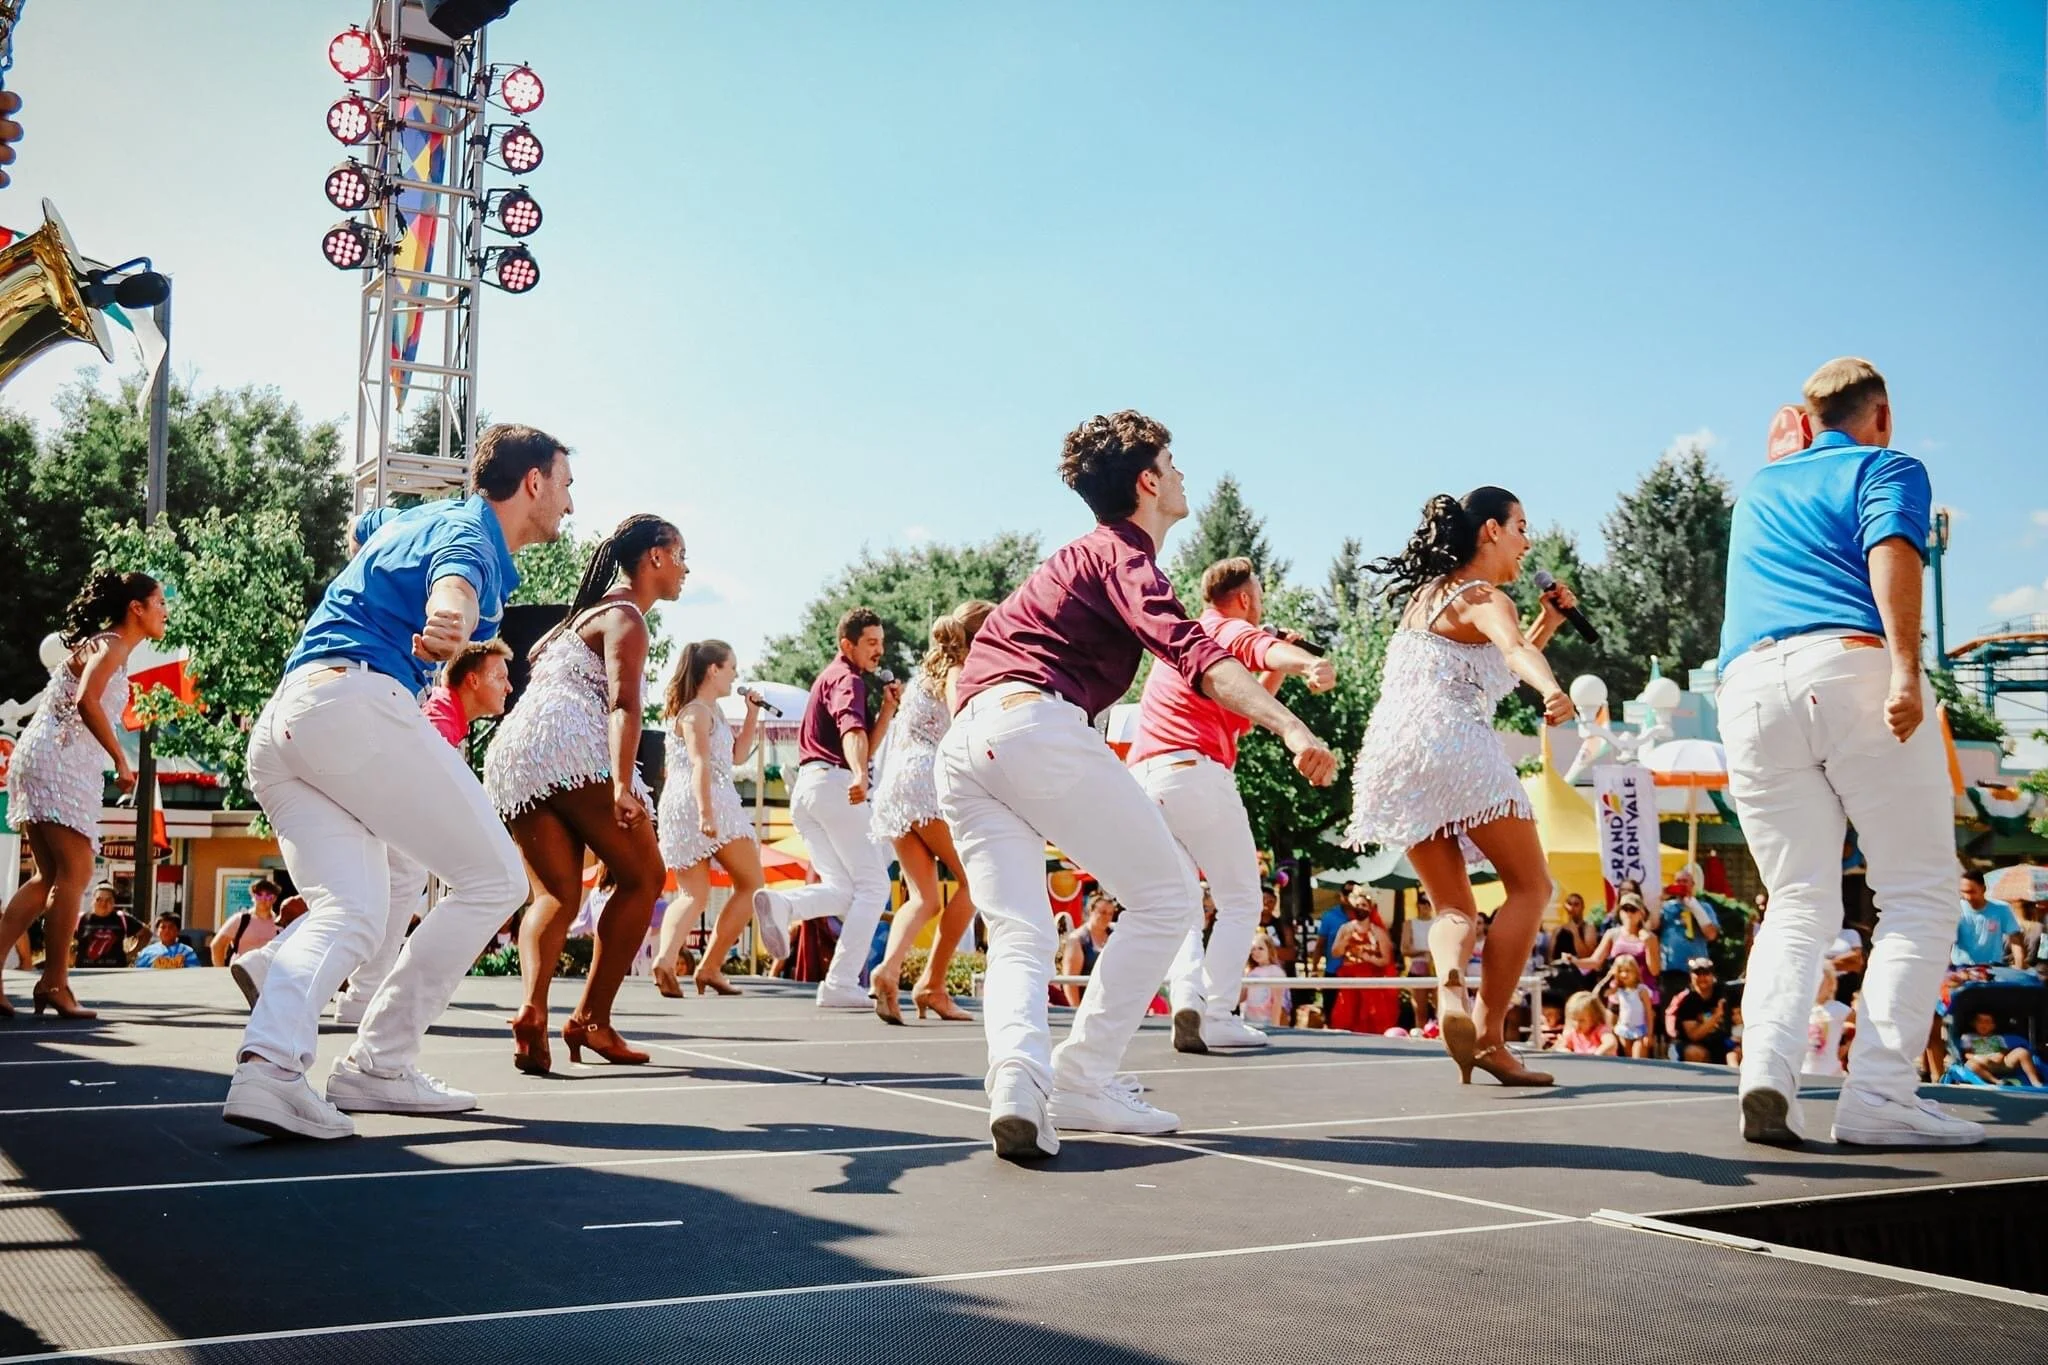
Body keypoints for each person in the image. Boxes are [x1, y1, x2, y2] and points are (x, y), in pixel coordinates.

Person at [936, 410, 1336, 1160]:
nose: (1183, 475)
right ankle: (1084, 1076)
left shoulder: (1069, 561)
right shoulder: (1124, 556)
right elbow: (1194, 653)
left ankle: (1019, 1083)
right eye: (1173, 463)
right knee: (1169, 898)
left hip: (966, 746)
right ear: (1148, 482)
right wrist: (1291, 727)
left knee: (1020, 931)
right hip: (1033, 726)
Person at [223, 423, 566, 1141]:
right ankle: (381, 1061)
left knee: (352, 908)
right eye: (565, 485)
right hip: (354, 704)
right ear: (533, 482)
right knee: (495, 879)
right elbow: (454, 588)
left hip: (289, 718)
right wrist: (447, 619)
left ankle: (269, 1070)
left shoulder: (418, 518)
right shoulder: (473, 539)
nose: (569, 502)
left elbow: (364, 527)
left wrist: (391, 585)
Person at [1721, 358, 1983, 1148]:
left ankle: (1766, 1070)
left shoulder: (1757, 490)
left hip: (1748, 685)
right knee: (1919, 890)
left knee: (1797, 897)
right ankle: (1879, 1096)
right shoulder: (1887, 466)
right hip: (1849, 664)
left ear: (1808, 418)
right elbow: (1891, 548)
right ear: (1883, 414)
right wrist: (1906, 669)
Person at [1344, 487, 1578, 1088]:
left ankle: (1451, 988)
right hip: (1453, 742)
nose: (1528, 542)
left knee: (1454, 907)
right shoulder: (1484, 596)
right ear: (1491, 531)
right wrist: (1552, 690)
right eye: (1521, 527)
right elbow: (1513, 651)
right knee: (1531, 886)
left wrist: (1549, 622)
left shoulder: (1427, 599)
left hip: (1394, 753)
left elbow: (1488, 669)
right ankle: (1491, 1036)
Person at [484, 514, 682, 1074]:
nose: (686, 569)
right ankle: (591, 1019)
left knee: (554, 895)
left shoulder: (580, 619)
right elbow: (624, 705)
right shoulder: (625, 617)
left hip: (515, 752)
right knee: (644, 877)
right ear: (655, 557)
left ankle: (531, 1010)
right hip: (568, 743)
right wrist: (621, 784)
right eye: (681, 555)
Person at [231, 640, 514, 1023]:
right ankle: (354, 994)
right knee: (401, 877)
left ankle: (281, 966)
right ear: (473, 680)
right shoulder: (439, 717)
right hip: (362, 775)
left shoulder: (444, 715)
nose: (509, 686)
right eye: (500, 676)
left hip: (310, 742)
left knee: (370, 892)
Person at [1127, 556, 1336, 1053]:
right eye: (1258, 596)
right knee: (1241, 899)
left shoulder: (1184, 642)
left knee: (1182, 905)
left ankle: (1188, 999)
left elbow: (1241, 716)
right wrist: (1306, 662)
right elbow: (1258, 645)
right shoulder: (1222, 629)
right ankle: (1218, 1013)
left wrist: (1275, 669)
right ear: (1244, 598)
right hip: (1196, 773)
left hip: (1145, 780)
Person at [0, 571, 168, 1020]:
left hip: (39, 756)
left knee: (48, 877)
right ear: (136, 608)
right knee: (75, 872)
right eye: (160, 602)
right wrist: (120, 759)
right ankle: (54, 982)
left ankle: (36, 979)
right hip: (58, 762)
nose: (165, 612)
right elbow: (87, 701)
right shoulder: (109, 645)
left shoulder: (105, 645)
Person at [754, 608, 900, 1009]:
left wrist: (887, 712)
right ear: (847, 645)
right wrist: (860, 774)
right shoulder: (848, 680)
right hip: (835, 785)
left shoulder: (832, 678)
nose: (879, 651)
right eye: (871, 643)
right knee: (874, 886)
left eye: (881, 643)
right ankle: (840, 982)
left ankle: (784, 905)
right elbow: (852, 731)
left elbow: (859, 738)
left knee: (843, 890)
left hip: (809, 789)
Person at [867, 602, 996, 1024]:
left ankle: (888, 972)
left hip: (896, 785)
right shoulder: (958, 673)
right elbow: (963, 724)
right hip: (926, 781)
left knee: (923, 897)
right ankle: (932, 984)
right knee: (975, 882)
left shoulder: (925, 676)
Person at [653, 639, 778, 998]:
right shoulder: (696, 713)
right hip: (707, 800)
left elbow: (736, 757)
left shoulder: (710, 711)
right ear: (713, 670)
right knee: (752, 884)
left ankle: (666, 960)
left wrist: (752, 714)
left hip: (686, 802)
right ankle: (709, 967)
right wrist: (706, 813)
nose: (736, 675)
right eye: (731, 667)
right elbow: (700, 764)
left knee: (693, 893)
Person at [1328, 897, 1400, 1035]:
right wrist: (1345, 940)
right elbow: (1335, 953)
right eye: (1357, 905)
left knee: (1370, 1016)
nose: (1360, 908)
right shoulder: (1345, 928)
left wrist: (1369, 958)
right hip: (1349, 979)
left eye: (1363, 905)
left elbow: (1386, 960)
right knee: (1346, 1012)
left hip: (1370, 979)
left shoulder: (1378, 932)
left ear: (1370, 908)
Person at [1652, 870, 1719, 1004]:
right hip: (1671, 970)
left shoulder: (1704, 907)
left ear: (1692, 885)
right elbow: (1652, 926)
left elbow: (1711, 935)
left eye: (1685, 882)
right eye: (1678, 882)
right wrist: (1660, 899)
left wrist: (1694, 907)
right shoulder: (1666, 908)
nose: (1681, 885)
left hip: (1697, 971)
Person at [1668, 958, 1736, 1065]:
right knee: (1696, 1053)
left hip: (1719, 1042)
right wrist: (1716, 1016)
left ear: (1713, 976)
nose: (1702, 977)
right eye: (1698, 973)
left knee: (1738, 1052)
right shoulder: (1686, 1000)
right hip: (1689, 1044)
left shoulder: (1724, 993)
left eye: (1706, 973)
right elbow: (1693, 1035)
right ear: (1691, 976)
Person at [1952, 868, 2022, 968]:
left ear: (1983, 889)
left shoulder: (2001, 909)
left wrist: (2020, 966)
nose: (1967, 897)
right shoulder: (1955, 909)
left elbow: (2015, 939)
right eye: (1963, 892)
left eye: (1972, 892)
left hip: (1992, 968)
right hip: (1961, 967)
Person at [1058, 891, 1116, 1006]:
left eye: (1110, 914)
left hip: (1110, 1002)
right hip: (1086, 1003)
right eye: (1103, 912)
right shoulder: (1077, 939)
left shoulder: (1114, 935)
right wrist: (1076, 1009)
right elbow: (1070, 982)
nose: (1107, 917)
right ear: (1091, 911)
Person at [213, 878, 284, 969]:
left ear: (274, 899)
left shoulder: (280, 923)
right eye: (259, 895)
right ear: (252, 897)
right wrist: (221, 972)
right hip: (241, 972)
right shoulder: (240, 920)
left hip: (269, 973)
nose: (263, 899)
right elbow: (217, 945)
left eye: (268, 896)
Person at [1959, 1010, 2043, 1087]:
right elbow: (1967, 1053)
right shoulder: (1968, 1037)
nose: (1983, 1025)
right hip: (1984, 1064)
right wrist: (1978, 1057)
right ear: (1974, 1024)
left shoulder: (1998, 1038)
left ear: (1993, 1026)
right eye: (1980, 1022)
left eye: (1987, 1022)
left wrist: (2000, 1055)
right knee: (1970, 1064)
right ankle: (1997, 1081)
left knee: (2022, 1052)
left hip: (2001, 1063)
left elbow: (2004, 1050)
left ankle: (2035, 1081)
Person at [73, 884, 145, 970]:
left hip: (114, 972)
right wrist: (70, 957)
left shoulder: (122, 918)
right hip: (85, 972)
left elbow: (146, 933)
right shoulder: (81, 919)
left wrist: (131, 954)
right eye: (99, 899)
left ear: (114, 902)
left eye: (108, 900)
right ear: (92, 901)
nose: (103, 903)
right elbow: (62, 937)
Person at [1802, 963, 1851, 1078]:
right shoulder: (1804, 1009)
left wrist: (1847, 1047)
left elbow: (1859, 1024)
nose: (1817, 984)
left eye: (1821, 980)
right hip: (1804, 1071)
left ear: (1831, 984)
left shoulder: (1837, 1008)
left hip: (1830, 1073)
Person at [1605, 954, 1655, 1059]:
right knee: (1628, 1059)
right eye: (1620, 971)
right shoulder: (1618, 990)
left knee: (1637, 1057)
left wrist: (1649, 1033)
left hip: (1640, 1029)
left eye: (1627, 971)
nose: (1624, 974)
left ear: (1635, 972)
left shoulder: (1641, 990)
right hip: (1624, 1028)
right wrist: (1609, 976)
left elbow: (1649, 1013)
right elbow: (1604, 993)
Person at [1239, 934, 1290, 1029]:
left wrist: (1275, 1025)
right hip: (1248, 1020)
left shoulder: (1275, 971)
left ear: (1269, 950)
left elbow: (1277, 1002)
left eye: (1260, 948)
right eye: (1253, 949)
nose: (1256, 952)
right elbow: (1243, 996)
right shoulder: (1250, 971)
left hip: (1267, 1021)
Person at [1550, 991, 1619, 1056]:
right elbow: (1561, 1047)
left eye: (1582, 1020)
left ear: (1594, 1018)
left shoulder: (1600, 1030)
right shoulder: (1574, 1034)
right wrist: (1566, 1051)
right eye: (1573, 1019)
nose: (1577, 1024)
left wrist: (1596, 1056)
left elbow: (1611, 1043)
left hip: (1600, 1063)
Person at [135, 914, 201, 969]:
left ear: (178, 931)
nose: (167, 930)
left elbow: (194, 973)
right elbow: (139, 973)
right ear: (157, 931)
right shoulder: (147, 952)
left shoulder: (187, 952)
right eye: (163, 927)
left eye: (171, 927)